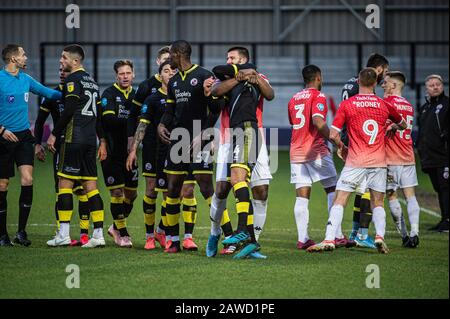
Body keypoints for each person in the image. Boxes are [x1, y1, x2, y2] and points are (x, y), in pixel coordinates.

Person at [308, 68, 406, 254]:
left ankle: (329, 239)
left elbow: (334, 134)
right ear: (376, 83)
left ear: (358, 82)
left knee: (340, 199)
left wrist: (341, 147)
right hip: (378, 161)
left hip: (355, 160)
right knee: (377, 202)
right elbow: (403, 124)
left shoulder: (348, 104)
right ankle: (379, 237)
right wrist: (392, 126)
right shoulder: (384, 104)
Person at [206, 47, 273, 258]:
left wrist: (251, 75)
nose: (227, 60)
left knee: (260, 190)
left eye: (231, 58)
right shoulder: (227, 78)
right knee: (222, 191)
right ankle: (215, 233)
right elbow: (216, 94)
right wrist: (238, 76)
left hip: (252, 134)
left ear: (243, 59)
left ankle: (250, 240)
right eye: (227, 57)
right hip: (229, 138)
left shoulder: (258, 76)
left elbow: (270, 94)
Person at [157, 40, 222, 253]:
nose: (168, 60)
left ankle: (226, 235)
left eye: (170, 56)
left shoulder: (204, 75)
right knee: (173, 188)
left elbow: (216, 108)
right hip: (177, 139)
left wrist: (204, 134)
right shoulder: (174, 82)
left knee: (206, 188)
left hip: (199, 139)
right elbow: (170, 109)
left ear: (178, 54)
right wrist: (161, 124)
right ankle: (174, 241)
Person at [0, 44, 62, 247]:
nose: (26, 57)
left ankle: (21, 232)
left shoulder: (26, 80)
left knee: (27, 179)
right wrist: (1, 130)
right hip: (3, 138)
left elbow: (49, 93)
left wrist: (74, 90)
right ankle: (2, 235)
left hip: (24, 137)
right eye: (23, 54)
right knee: (3, 185)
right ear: (13, 59)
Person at [46, 44, 107, 248]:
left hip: (73, 138)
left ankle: (63, 234)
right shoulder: (92, 82)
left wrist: (54, 134)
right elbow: (98, 117)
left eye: (63, 58)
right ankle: (97, 235)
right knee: (91, 187)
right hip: (90, 141)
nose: (61, 61)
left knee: (64, 184)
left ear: (75, 61)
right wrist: (102, 141)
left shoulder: (73, 79)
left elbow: (70, 109)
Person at [288, 65, 346, 250]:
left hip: (296, 151)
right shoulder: (318, 96)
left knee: (302, 196)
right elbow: (318, 122)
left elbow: (294, 122)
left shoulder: (293, 98)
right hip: (315, 150)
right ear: (318, 78)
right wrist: (336, 140)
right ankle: (336, 235)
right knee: (333, 190)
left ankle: (302, 238)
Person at [34, 67, 91, 246]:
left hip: (79, 142)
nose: (61, 72)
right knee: (61, 189)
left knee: (82, 190)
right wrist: (37, 144)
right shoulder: (53, 95)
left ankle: (84, 233)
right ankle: (61, 230)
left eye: (64, 70)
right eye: (59, 70)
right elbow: (40, 121)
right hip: (60, 146)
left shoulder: (79, 90)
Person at [127, 60, 176, 250]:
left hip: (174, 151)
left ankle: (162, 232)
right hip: (152, 150)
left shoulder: (180, 97)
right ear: (160, 76)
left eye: (173, 70)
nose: (170, 73)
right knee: (151, 191)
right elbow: (143, 124)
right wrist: (133, 150)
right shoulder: (152, 99)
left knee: (171, 194)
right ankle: (149, 236)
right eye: (166, 71)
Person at [341, 53, 390, 247]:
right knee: (367, 188)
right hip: (360, 140)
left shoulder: (350, 83)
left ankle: (356, 233)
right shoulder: (363, 88)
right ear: (378, 69)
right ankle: (361, 234)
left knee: (361, 188)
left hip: (351, 138)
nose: (385, 76)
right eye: (384, 71)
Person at [100, 59, 138, 248]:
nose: (125, 76)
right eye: (121, 74)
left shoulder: (137, 95)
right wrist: (134, 122)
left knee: (132, 194)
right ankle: (122, 233)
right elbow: (109, 122)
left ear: (133, 75)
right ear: (116, 76)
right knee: (117, 191)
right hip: (113, 151)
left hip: (130, 152)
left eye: (128, 73)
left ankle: (115, 226)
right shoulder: (108, 94)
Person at [381, 71, 421, 247]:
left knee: (391, 195)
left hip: (391, 157)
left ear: (394, 85)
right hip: (408, 156)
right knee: (411, 196)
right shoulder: (408, 105)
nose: (383, 85)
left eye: (386, 83)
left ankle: (405, 235)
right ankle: (415, 232)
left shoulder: (387, 103)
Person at [416, 74, 449, 232]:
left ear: (442, 86)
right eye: (431, 85)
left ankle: (447, 220)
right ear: (426, 89)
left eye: (438, 84)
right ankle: (444, 219)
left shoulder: (447, 104)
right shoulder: (424, 109)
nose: (435, 87)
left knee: (446, 188)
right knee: (439, 189)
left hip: (444, 157)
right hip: (429, 158)